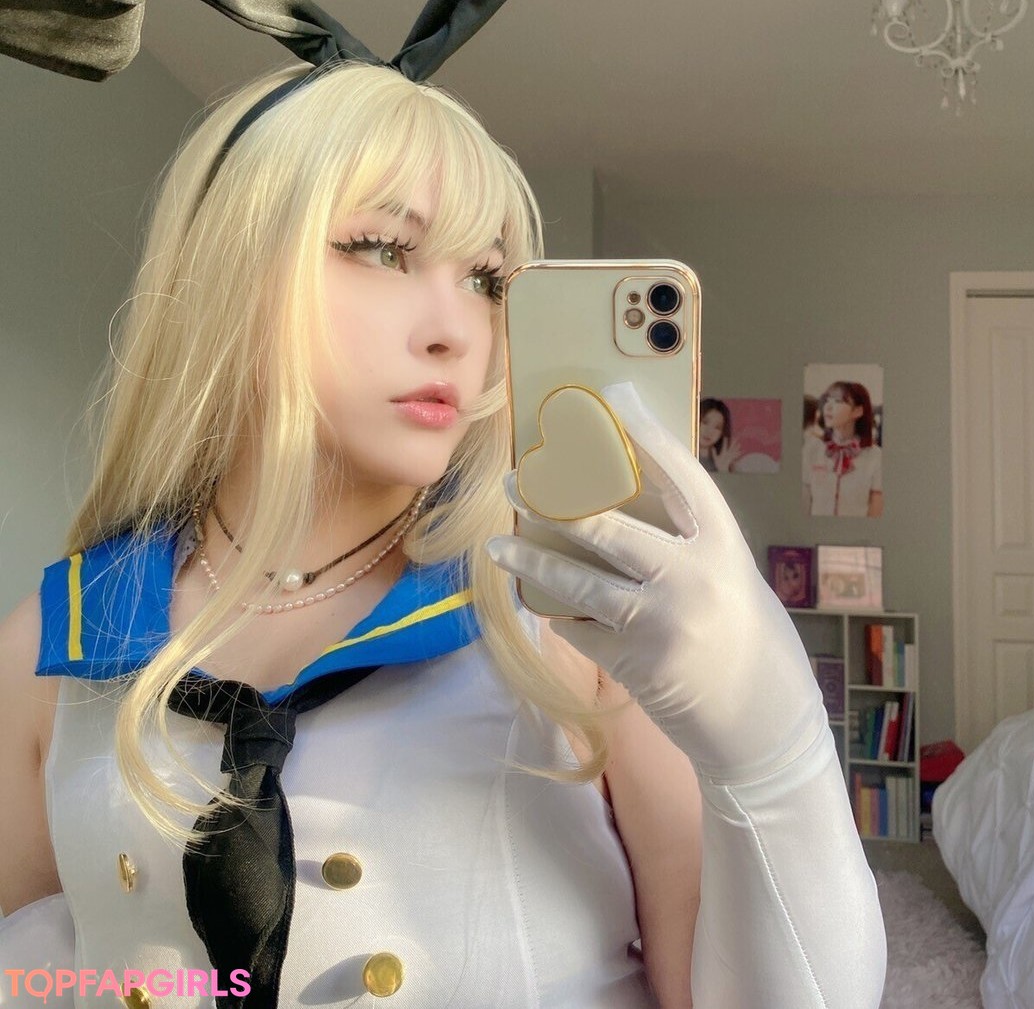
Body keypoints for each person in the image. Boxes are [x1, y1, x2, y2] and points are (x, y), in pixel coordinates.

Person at [0, 4, 886, 1007]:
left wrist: (772, 750)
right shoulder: (52, 643)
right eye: (384, 249)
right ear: (231, 267)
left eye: (487, 279)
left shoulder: (576, 623)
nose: (459, 330)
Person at [802, 380, 884, 518]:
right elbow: (804, 503)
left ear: (857, 411)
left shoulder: (875, 456)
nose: (828, 407)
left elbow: (875, 511)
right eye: (827, 400)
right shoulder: (812, 449)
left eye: (838, 401)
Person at [697, 397, 741, 473]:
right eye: (705, 422)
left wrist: (723, 469)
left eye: (717, 427)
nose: (709, 431)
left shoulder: (726, 462)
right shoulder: (683, 454)